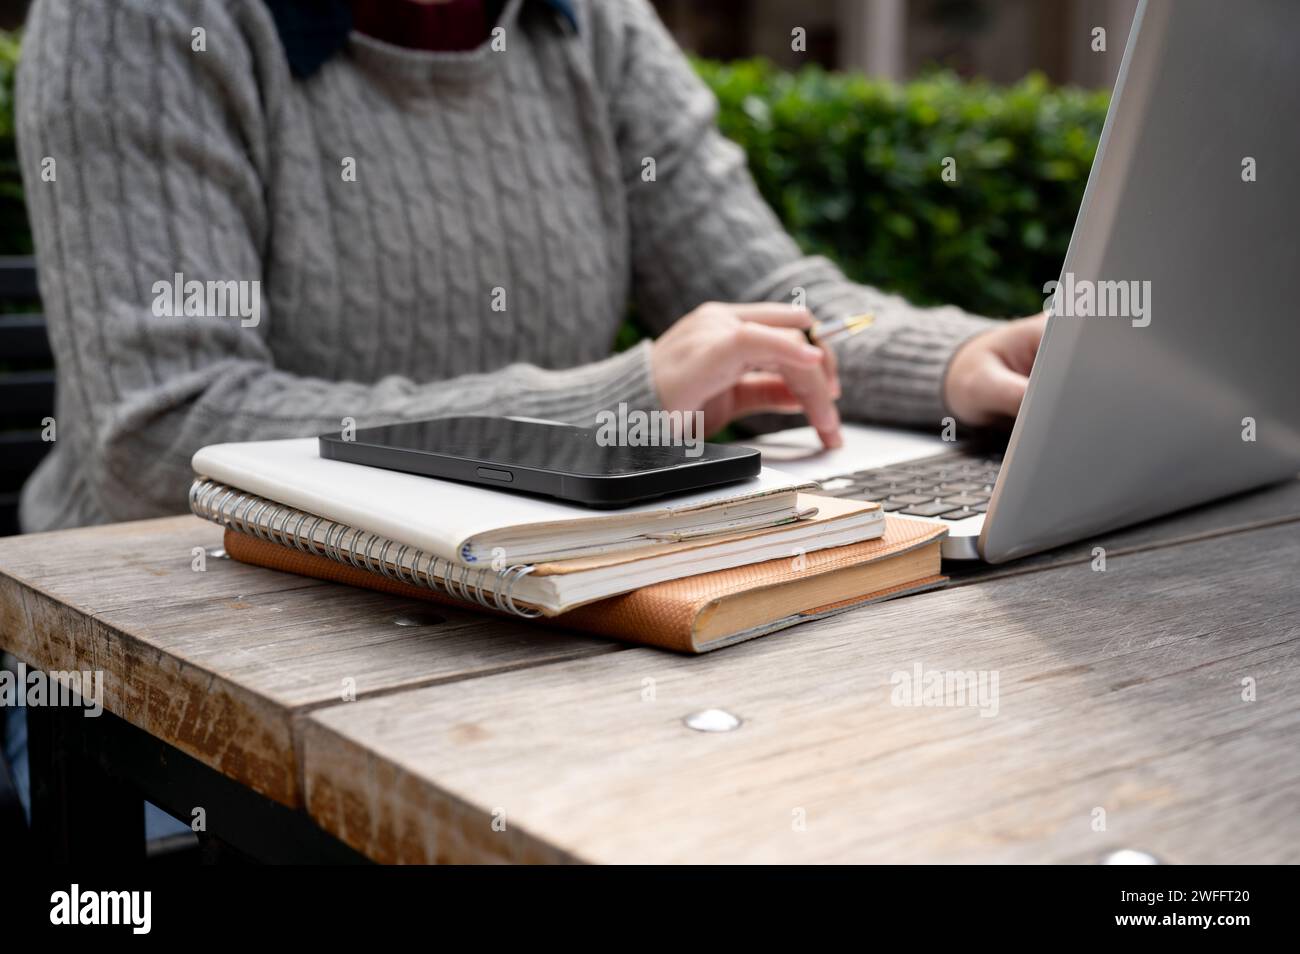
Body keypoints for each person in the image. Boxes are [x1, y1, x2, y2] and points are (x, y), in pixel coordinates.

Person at [14, 0, 1045, 537]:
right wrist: (614, 406)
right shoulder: (138, 20)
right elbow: (160, 437)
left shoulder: (586, 19)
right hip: (161, 692)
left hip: (521, 615)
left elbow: (772, 294)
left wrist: (954, 363)